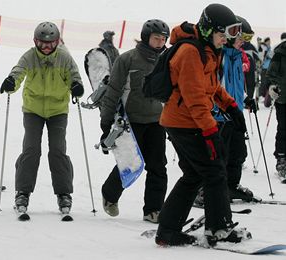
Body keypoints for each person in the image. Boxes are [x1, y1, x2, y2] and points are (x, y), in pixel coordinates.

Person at [155, 4, 249, 246]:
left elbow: (212, 86)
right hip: (184, 123)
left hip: (187, 121)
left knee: (195, 174)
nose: (224, 41)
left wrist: (231, 107)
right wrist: (211, 132)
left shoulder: (208, 50)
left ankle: (167, 229)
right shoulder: (189, 52)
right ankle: (219, 229)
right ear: (208, 30)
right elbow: (194, 97)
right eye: (222, 35)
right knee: (215, 172)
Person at [0, 21, 84, 214]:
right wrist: (12, 82)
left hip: (57, 111)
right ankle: (23, 191)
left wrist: (77, 87)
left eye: (51, 43)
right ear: (36, 42)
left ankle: (64, 194)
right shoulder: (29, 56)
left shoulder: (64, 57)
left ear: (57, 42)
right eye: (43, 43)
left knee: (57, 150)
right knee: (31, 149)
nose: (47, 47)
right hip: (33, 110)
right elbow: (18, 72)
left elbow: (74, 76)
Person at [99, 19, 169, 223]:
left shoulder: (166, 60)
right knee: (129, 163)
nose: (160, 42)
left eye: (163, 39)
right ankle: (109, 195)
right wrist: (106, 122)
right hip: (131, 121)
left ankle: (154, 210)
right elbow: (113, 91)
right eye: (156, 38)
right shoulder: (128, 59)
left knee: (158, 166)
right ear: (146, 37)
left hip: (157, 121)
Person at [211, 16, 254, 202]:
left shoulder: (237, 57)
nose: (243, 42)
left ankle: (231, 186)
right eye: (240, 37)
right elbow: (214, 86)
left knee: (237, 153)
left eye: (247, 38)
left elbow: (236, 85)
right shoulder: (218, 56)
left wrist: (246, 98)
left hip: (234, 113)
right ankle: (207, 190)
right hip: (219, 116)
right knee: (219, 155)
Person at [266, 32, 286, 180]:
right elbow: (270, 73)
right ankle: (282, 159)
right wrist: (272, 86)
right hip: (283, 97)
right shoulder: (280, 52)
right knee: (284, 129)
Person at [239, 17, 259, 100]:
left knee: (249, 85)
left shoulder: (251, 47)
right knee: (246, 85)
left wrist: (257, 68)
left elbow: (257, 58)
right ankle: (246, 99)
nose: (244, 41)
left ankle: (248, 99)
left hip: (250, 70)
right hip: (244, 70)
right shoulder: (239, 48)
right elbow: (257, 59)